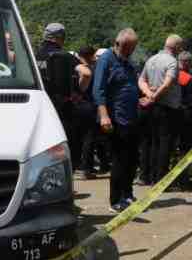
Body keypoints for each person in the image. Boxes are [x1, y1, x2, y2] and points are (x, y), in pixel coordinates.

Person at [92, 28, 142, 213]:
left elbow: (130, 85)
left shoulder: (127, 62)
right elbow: (98, 90)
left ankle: (127, 194)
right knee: (119, 159)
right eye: (129, 48)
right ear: (119, 44)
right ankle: (116, 200)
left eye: (133, 48)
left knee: (131, 158)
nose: (131, 51)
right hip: (115, 118)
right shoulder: (106, 60)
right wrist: (104, 115)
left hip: (131, 117)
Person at [139, 35, 184, 183]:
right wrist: (154, 96)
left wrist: (148, 94)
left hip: (152, 107)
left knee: (152, 141)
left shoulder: (151, 59)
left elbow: (141, 80)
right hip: (168, 107)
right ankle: (160, 178)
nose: (181, 49)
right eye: (180, 46)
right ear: (176, 47)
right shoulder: (172, 62)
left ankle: (148, 175)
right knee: (165, 142)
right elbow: (167, 84)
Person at [37, 23, 80, 166]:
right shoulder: (65, 56)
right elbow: (86, 73)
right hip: (62, 106)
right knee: (63, 141)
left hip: (40, 105)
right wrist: (79, 92)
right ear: (59, 37)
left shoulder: (34, 54)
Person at [74, 46, 102, 180]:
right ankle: (86, 168)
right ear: (90, 55)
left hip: (78, 105)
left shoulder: (76, 67)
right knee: (89, 137)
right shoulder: (92, 69)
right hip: (89, 104)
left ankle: (79, 166)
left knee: (80, 136)